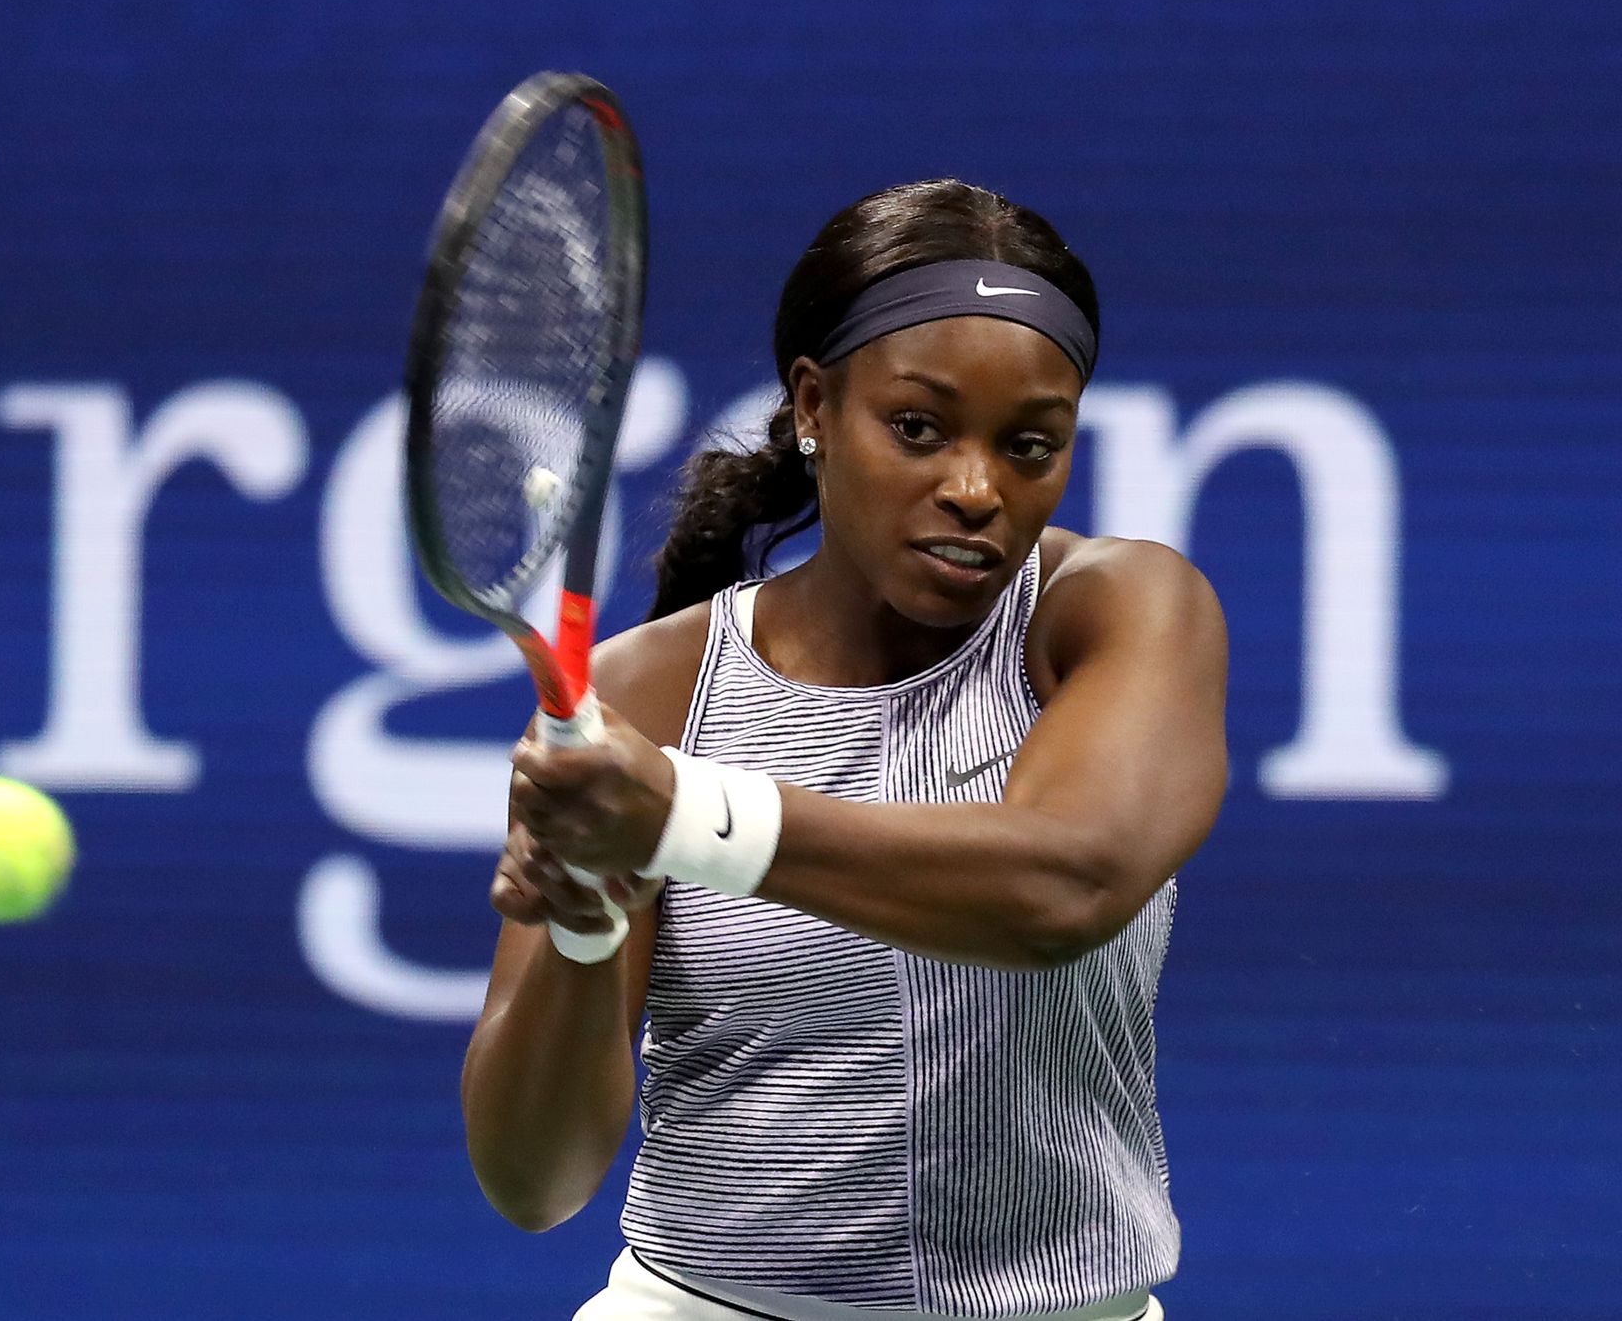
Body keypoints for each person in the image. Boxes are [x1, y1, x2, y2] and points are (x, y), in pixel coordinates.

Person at [460, 178, 1228, 1321]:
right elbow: (535, 1181)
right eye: (916, 428)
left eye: (1029, 445)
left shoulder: (1117, 610)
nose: (975, 488)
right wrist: (584, 920)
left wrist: (681, 818)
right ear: (814, 406)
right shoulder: (645, 692)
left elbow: (1063, 882)